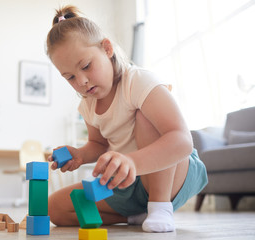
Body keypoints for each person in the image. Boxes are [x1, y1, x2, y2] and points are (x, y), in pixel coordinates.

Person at [45, 5, 208, 233]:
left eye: (86, 66)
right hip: (129, 183)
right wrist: (81, 154)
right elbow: (99, 145)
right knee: (55, 207)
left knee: (144, 116)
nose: (81, 81)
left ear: (107, 48)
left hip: (173, 173)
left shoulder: (138, 81)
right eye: (70, 77)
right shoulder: (87, 105)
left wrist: (132, 161)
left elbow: (181, 140)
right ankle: (136, 216)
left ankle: (160, 206)